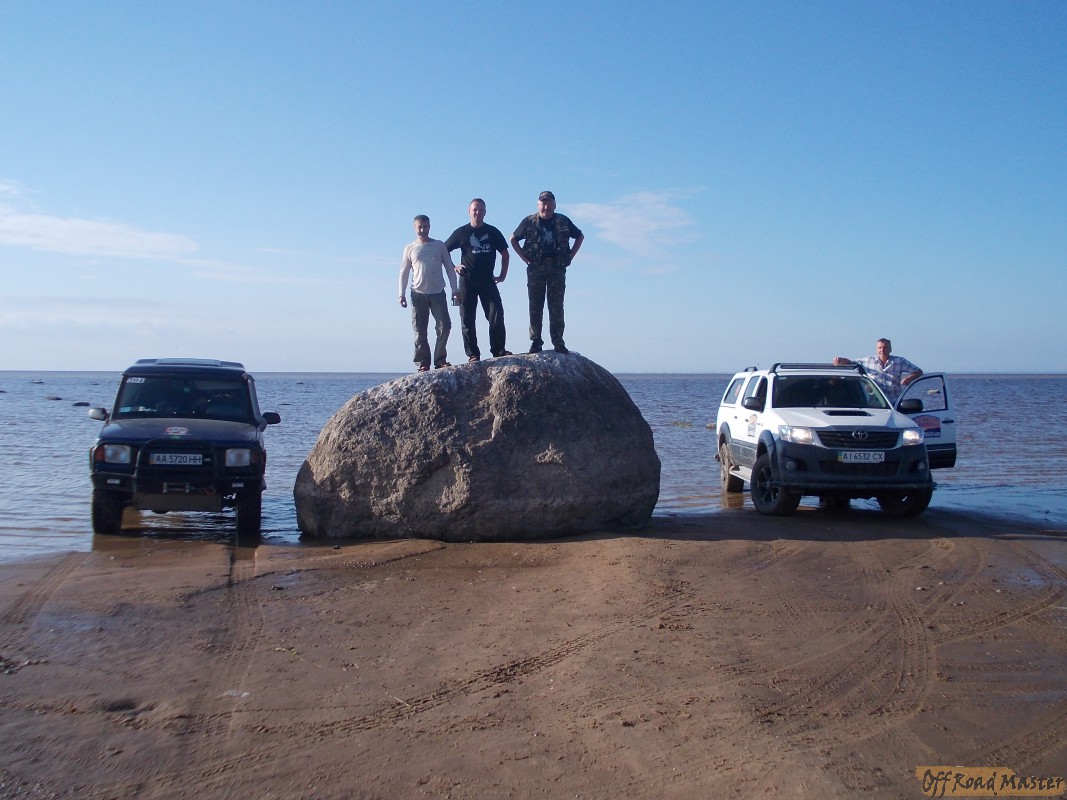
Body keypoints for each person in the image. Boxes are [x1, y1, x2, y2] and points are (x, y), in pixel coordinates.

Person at [510, 190, 584, 354]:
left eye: (549, 203)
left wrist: (571, 255)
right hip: (536, 268)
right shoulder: (529, 221)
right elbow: (513, 238)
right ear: (538, 205)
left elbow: (579, 236)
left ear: (554, 205)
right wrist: (523, 257)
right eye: (543, 203)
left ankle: (558, 342)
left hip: (557, 268)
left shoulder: (563, 221)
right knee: (535, 306)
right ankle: (536, 342)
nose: (546, 206)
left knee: (556, 306)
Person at [445, 198, 512, 362]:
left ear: (485, 212)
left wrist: (502, 275)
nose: (478, 212)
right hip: (467, 280)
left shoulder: (492, 232)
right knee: (467, 318)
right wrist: (454, 267)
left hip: (487, 280)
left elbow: (505, 254)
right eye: (475, 209)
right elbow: (444, 251)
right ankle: (473, 354)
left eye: (481, 210)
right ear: (469, 211)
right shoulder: (461, 232)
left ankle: (498, 350)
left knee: (496, 313)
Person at [398, 215, 461, 372]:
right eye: (419, 227)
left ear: (429, 227)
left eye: (425, 227)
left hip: (438, 293)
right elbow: (404, 272)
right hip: (418, 293)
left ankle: (440, 359)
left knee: (445, 326)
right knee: (420, 330)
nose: (422, 230)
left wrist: (455, 289)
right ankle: (423, 362)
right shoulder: (409, 248)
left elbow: (449, 268)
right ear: (414, 228)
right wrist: (401, 294)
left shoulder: (439, 245)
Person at [834, 338, 923, 404]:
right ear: (876, 349)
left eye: (885, 347)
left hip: (895, 404)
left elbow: (918, 372)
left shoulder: (899, 361)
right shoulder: (868, 361)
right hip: (875, 405)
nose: (882, 350)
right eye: (880, 348)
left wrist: (908, 378)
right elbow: (851, 362)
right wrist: (839, 360)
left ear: (890, 349)